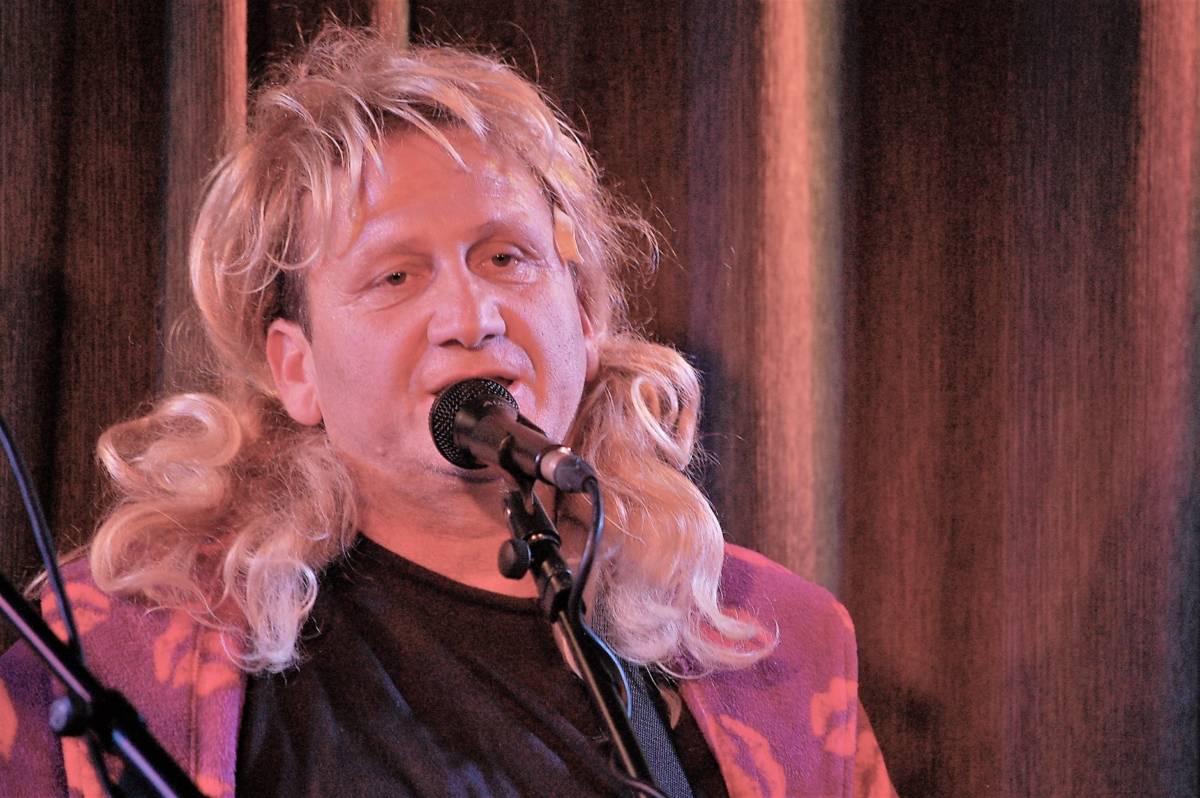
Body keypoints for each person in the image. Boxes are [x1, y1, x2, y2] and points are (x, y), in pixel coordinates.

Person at [0, 27, 895, 797]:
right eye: (396, 275)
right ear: (296, 369)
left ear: (585, 317)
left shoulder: (778, 644)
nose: (471, 316)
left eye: (507, 258)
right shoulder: (115, 650)